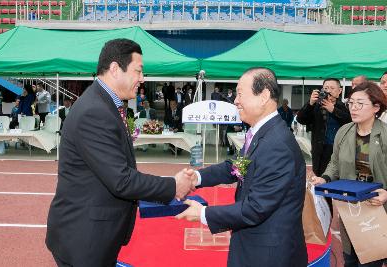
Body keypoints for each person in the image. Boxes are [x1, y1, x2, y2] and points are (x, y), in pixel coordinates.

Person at [45, 39, 193, 267]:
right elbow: (121, 180)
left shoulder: (103, 104)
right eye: (138, 71)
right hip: (84, 239)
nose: (142, 79)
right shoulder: (95, 111)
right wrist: (173, 186)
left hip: (91, 234)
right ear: (115, 69)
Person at [176, 68, 308, 267]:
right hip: (254, 244)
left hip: (269, 255)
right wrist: (197, 177)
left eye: (240, 93)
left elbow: (256, 208)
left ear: (263, 96)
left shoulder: (277, 144)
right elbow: (235, 167)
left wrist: (204, 213)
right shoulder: (261, 133)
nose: (235, 100)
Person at [311, 81, 387, 267]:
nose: (353, 108)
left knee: (372, 258)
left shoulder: (385, 134)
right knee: (350, 256)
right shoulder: (344, 132)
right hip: (350, 207)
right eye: (351, 103)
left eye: (360, 104)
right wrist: (325, 178)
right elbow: (335, 163)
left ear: (376, 107)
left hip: (377, 205)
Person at [296, 78, 351, 177]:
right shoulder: (316, 106)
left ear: (339, 91)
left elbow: (349, 122)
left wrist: (333, 110)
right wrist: (310, 103)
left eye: (332, 88)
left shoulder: (344, 106)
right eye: (326, 88)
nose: (328, 91)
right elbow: (301, 119)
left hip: (337, 151)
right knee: (319, 178)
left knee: (335, 178)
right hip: (319, 150)